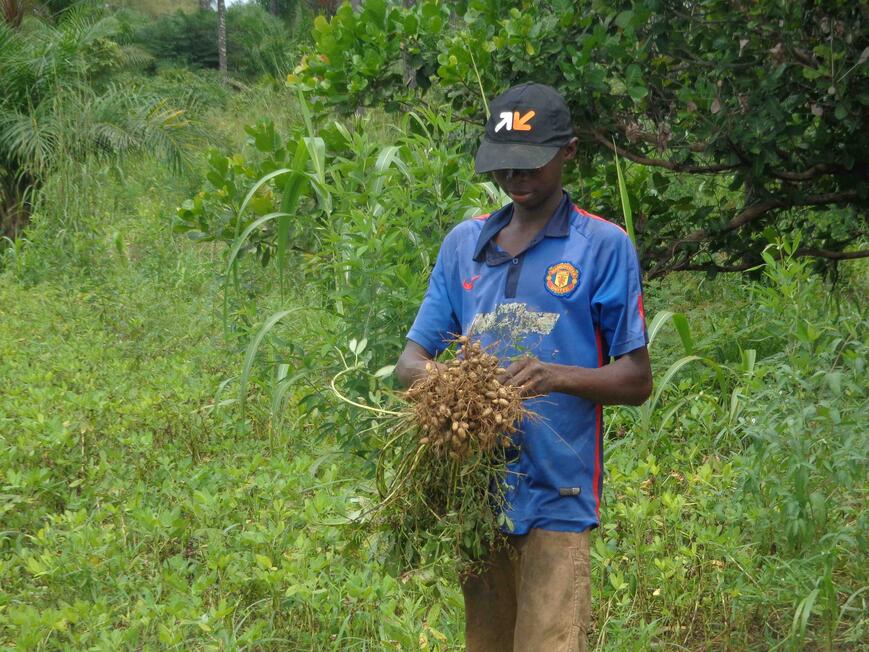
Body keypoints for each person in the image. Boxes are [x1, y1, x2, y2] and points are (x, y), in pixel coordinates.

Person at [394, 82, 653, 652]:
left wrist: (556, 376)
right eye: (503, 165)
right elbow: (408, 363)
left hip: (558, 493)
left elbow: (636, 379)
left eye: (531, 163)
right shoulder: (465, 244)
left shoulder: (602, 246)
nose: (516, 178)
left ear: (568, 152)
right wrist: (448, 385)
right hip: (478, 489)